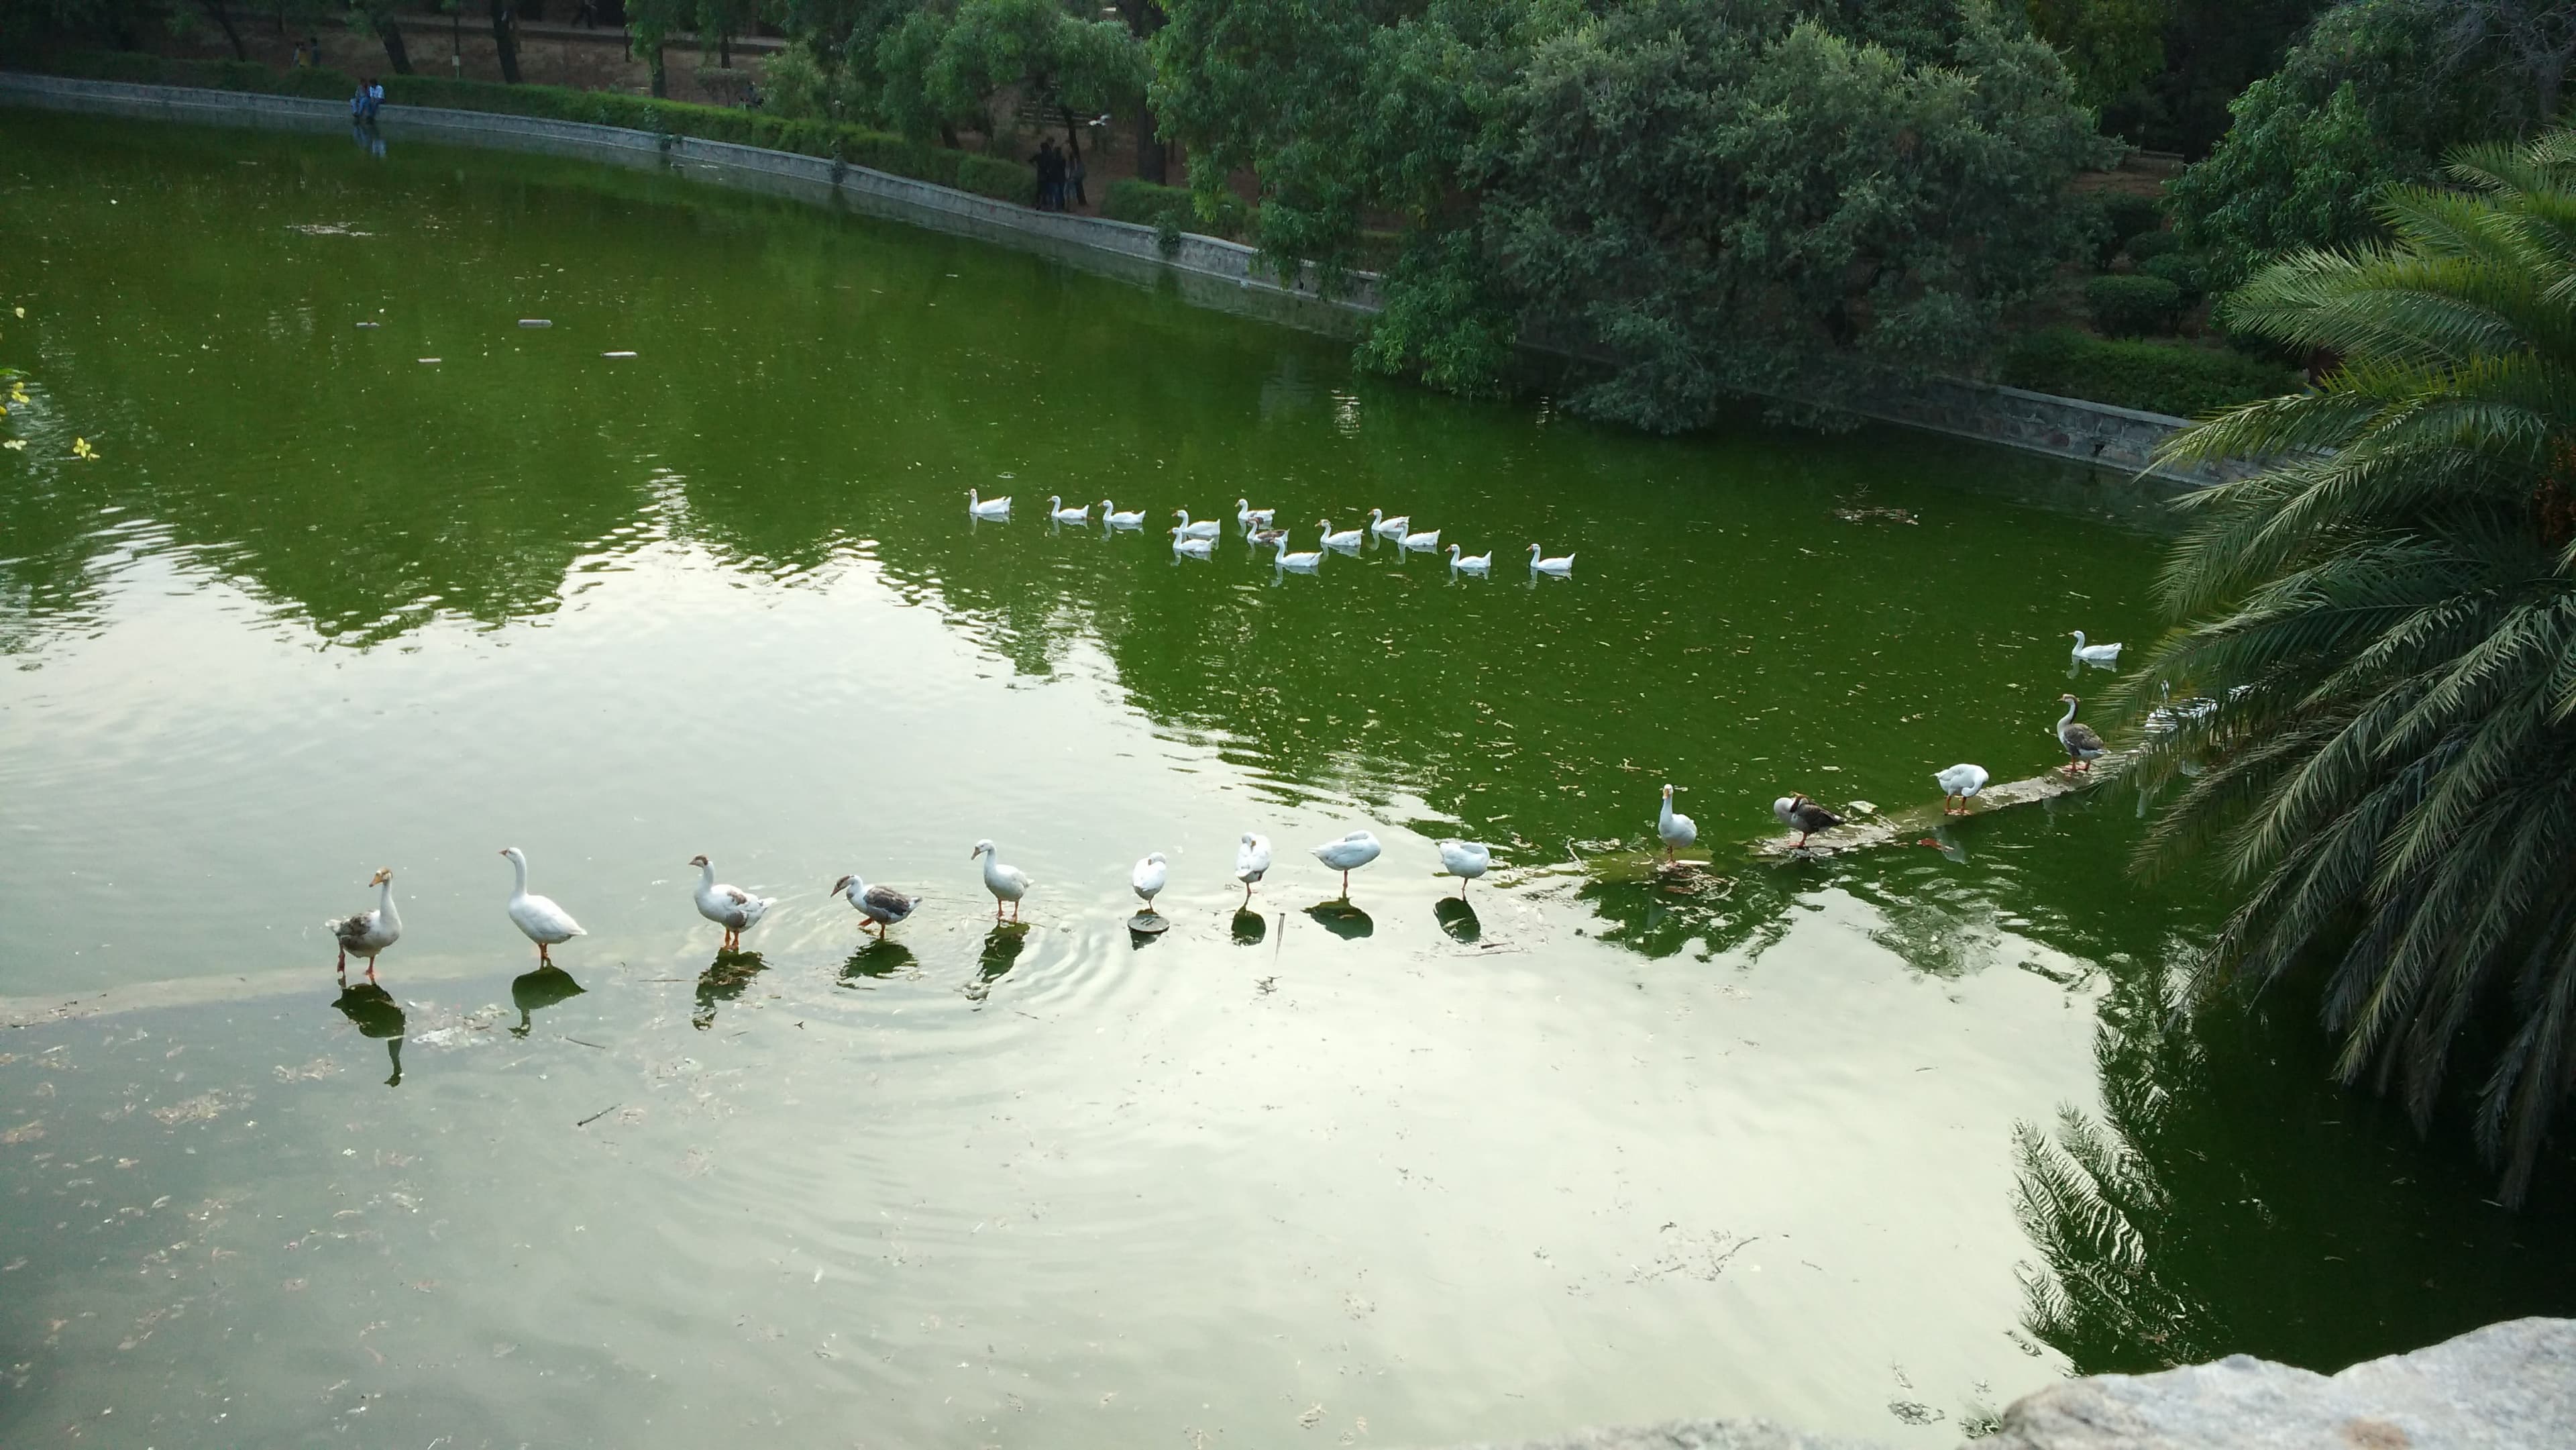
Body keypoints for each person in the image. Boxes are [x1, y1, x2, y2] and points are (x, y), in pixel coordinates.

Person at [1064, 143, 1087, 210]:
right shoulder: (1075, 161)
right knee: (1071, 193)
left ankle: (1070, 207)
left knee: (1068, 193)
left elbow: (1069, 169)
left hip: (1070, 179)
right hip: (1072, 178)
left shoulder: (1072, 162)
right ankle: (1072, 207)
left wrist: (1069, 177)